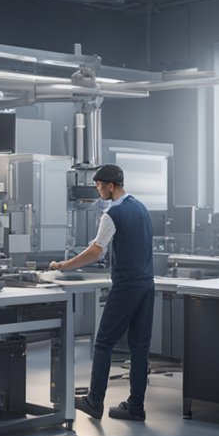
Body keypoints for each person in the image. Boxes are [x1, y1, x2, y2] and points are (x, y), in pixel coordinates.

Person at [49, 164, 154, 422]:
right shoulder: (141, 208)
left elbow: (97, 250)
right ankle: (136, 406)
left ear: (110, 185)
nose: (97, 192)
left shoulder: (113, 214)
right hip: (147, 285)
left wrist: (63, 265)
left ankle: (94, 401)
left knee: (104, 342)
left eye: (98, 186)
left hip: (127, 285)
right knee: (140, 348)